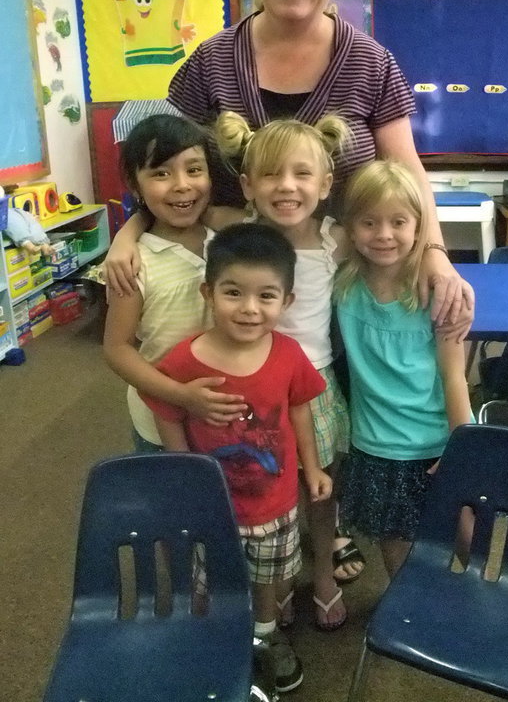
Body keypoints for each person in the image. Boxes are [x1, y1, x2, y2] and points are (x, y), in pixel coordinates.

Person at [104, 0, 474, 334]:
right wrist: (130, 232)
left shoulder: (371, 63)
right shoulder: (211, 61)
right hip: (237, 298)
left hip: (346, 285)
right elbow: (169, 170)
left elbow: (406, 173)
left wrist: (434, 252)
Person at [141, 223, 332, 694]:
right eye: (233, 293)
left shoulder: (288, 354)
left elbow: (300, 409)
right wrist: (186, 477)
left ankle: (265, 635)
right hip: (212, 506)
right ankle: (218, 638)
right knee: (209, 579)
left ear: (287, 301)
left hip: (274, 503)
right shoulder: (184, 360)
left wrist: (312, 468)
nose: (249, 308)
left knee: (267, 580)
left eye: (266, 296)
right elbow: (166, 411)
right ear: (208, 293)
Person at [210, 110, 358, 628]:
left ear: (325, 184)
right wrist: (126, 233)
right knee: (269, 492)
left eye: (301, 174)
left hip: (314, 387)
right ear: (247, 185)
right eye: (270, 175)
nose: (287, 186)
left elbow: (398, 236)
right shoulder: (235, 237)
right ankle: (277, 582)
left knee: (322, 490)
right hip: (256, 391)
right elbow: (164, 216)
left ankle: (323, 574)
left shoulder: (336, 239)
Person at [334, 160, 473, 578]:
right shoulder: (343, 284)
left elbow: (454, 377)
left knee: (469, 537)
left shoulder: (438, 293)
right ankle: (408, 609)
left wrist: (463, 447)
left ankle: (483, 602)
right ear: (350, 228)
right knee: (398, 557)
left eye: (398, 222)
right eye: (369, 222)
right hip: (376, 448)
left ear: (419, 227)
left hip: (438, 443)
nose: (384, 234)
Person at [103, 114, 247, 452]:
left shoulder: (229, 240)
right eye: (161, 173)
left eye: (194, 170)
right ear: (135, 185)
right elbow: (117, 349)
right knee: (171, 485)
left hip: (228, 417)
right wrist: (180, 395)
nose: (182, 184)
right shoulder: (133, 262)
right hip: (161, 423)